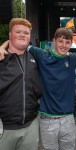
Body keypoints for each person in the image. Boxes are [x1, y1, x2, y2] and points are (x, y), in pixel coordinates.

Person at [0, 27, 76, 150]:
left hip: (68, 118)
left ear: (71, 43)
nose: (64, 45)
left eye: (67, 42)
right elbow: (20, 42)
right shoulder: (41, 55)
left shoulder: (73, 58)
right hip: (47, 119)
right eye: (60, 41)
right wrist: (2, 47)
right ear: (54, 41)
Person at [0, 18, 42, 150]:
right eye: (18, 31)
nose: (23, 35)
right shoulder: (1, 57)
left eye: (26, 33)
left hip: (31, 125)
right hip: (3, 129)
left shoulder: (35, 57)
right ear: (10, 35)